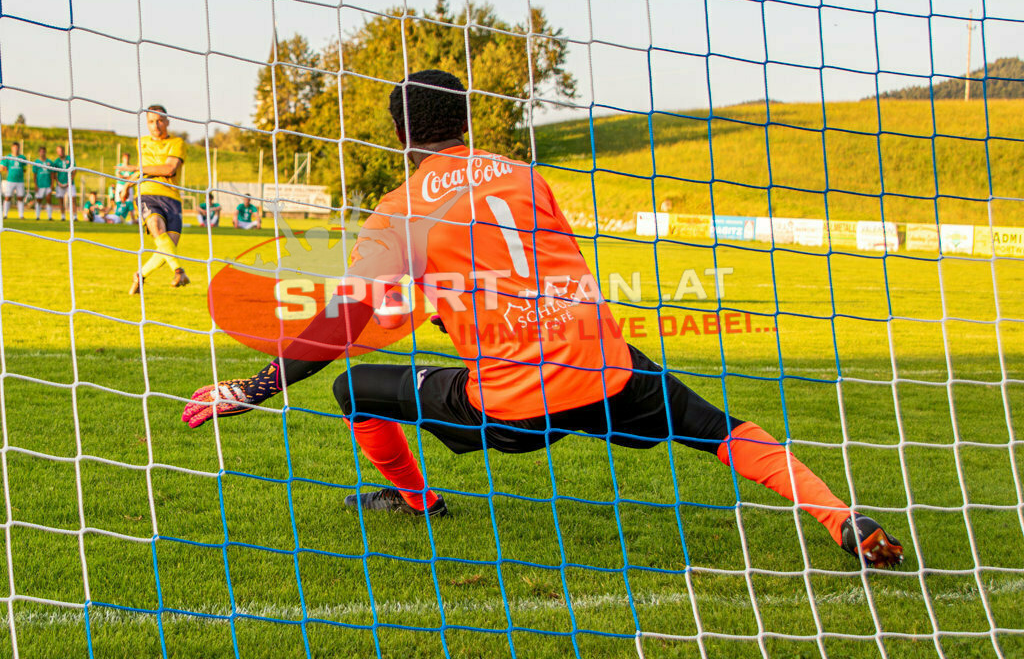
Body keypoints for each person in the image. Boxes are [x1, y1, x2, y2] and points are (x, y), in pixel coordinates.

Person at [183, 70, 904, 569]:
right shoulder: (524, 175)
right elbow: (529, 266)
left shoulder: (400, 207)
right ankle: (842, 516)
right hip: (606, 370)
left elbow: (343, 323)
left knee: (354, 390)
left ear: (400, 132)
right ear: (464, 123)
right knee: (720, 430)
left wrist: (253, 386)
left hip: (512, 405)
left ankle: (418, 501)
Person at [121, 105, 190, 293]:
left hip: (172, 197)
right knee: (157, 228)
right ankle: (179, 271)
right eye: (151, 121)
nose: (156, 125)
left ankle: (140, 275)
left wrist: (135, 169)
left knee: (167, 249)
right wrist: (128, 184)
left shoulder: (178, 143)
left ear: (167, 121)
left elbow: (169, 169)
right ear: (147, 123)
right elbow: (146, 169)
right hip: (147, 193)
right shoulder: (141, 142)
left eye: (159, 120)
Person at [0, 142, 27, 220]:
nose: (16, 149)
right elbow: (2, 167)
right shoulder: (8, 157)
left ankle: (21, 215)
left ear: (19, 148)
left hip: (20, 181)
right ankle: (5, 214)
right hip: (10, 180)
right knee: (7, 197)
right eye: (14, 148)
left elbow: (24, 169)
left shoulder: (22, 158)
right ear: (12, 148)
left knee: (20, 197)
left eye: (17, 147)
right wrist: (5, 169)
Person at [52, 144, 76, 221]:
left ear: (64, 151)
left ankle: (74, 216)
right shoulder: (56, 161)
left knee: (72, 199)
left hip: (70, 184)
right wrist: (58, 182)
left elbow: (74, 170)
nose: (60, 152)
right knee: (60, 200)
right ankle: (63, 216)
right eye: (58, 151)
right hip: (60, 184)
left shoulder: (69, 159)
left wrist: (70, 181)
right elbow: (53, 173)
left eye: (61, 151)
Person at [31, 146, 53, 221]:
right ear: (39, 153)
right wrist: (35, 185)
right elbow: (34, 174)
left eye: (43, 151)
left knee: (49, 199)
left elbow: (52, 174)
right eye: (41, 151)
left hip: (48, 184)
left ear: (45, 152)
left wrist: (52, 184)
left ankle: (49, 216)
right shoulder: (36, 162)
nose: (42, 153)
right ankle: (37, 216)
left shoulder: (49, 162)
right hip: (40, 185)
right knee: (39, 200)